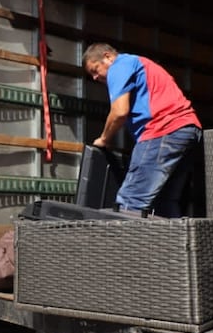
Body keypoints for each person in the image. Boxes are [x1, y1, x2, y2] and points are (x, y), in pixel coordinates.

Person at [83, 42, 202, 217]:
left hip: (163, 131)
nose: (94, 77)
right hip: (187, 130)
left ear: (108, 57)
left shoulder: (119, 66)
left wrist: (104, 139)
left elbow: (119, 112)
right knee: (165, 202)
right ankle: (176, 244)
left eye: (95, 70)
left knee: (131, 201)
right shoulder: (142, 64)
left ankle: (125, 244)